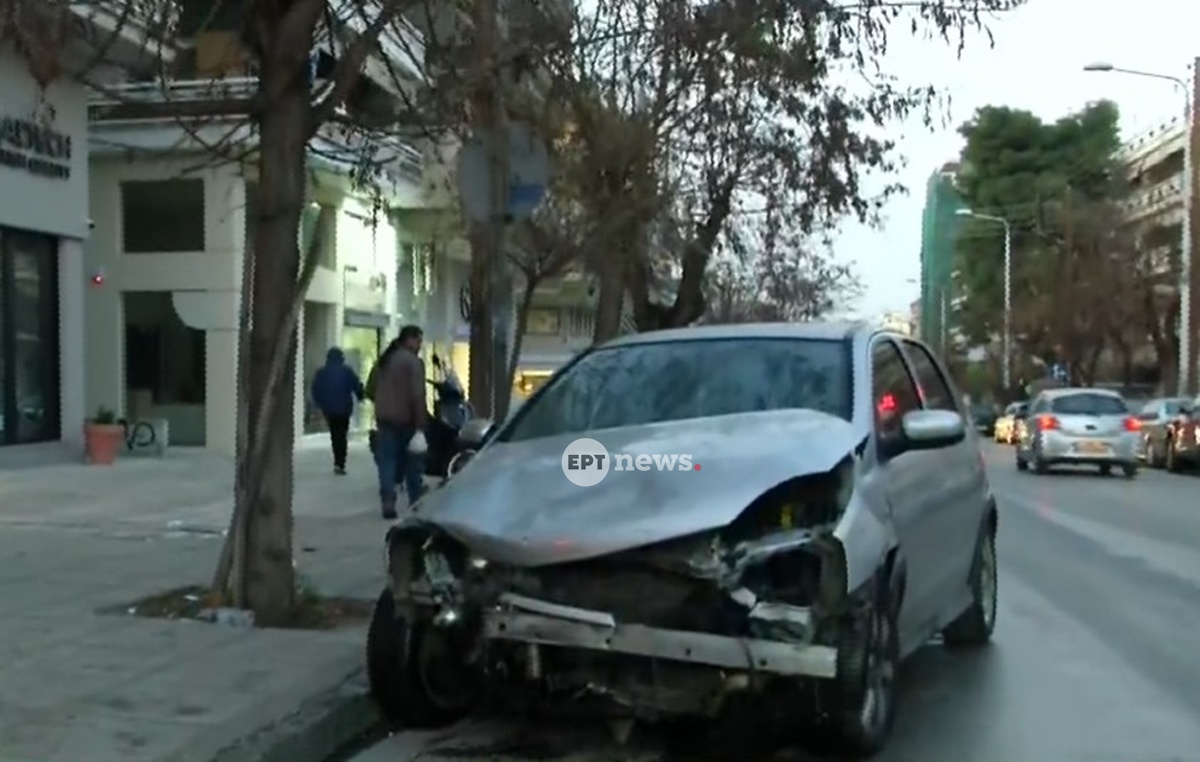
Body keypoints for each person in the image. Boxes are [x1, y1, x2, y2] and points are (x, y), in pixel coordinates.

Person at [372, 325, 428, 519]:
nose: (420, 345)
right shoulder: (414, 363)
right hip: (407, 420)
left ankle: (388, 501)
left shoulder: (384, 360)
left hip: (384, 420)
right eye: (418, 340)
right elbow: (418, 395)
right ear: (409, 340)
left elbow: (371, 389)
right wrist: (421, 424)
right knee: (413, 464)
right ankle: (415, 502)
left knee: (387, 462)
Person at [310, 347, 364, 475]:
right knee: (342, 435)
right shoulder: (347, 371)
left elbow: (315, 390)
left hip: (329, 409)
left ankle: (337, 461)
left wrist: (320, 404)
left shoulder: (321, 373)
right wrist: (361, 396)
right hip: (344, 408)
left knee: (334, 434)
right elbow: (356, 385)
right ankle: (341, 462)